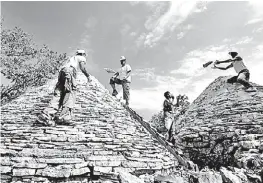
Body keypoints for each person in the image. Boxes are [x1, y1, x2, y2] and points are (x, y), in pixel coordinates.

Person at [38, 49, 92, 126]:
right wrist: (88, 76)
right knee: (70, 93)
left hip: (62, 73)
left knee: (58, 94)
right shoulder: (81, 57)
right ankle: (64, 117)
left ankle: (46, 114)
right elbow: (82, 68)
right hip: (70, 71)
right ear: (83, 54)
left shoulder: (70, 59)